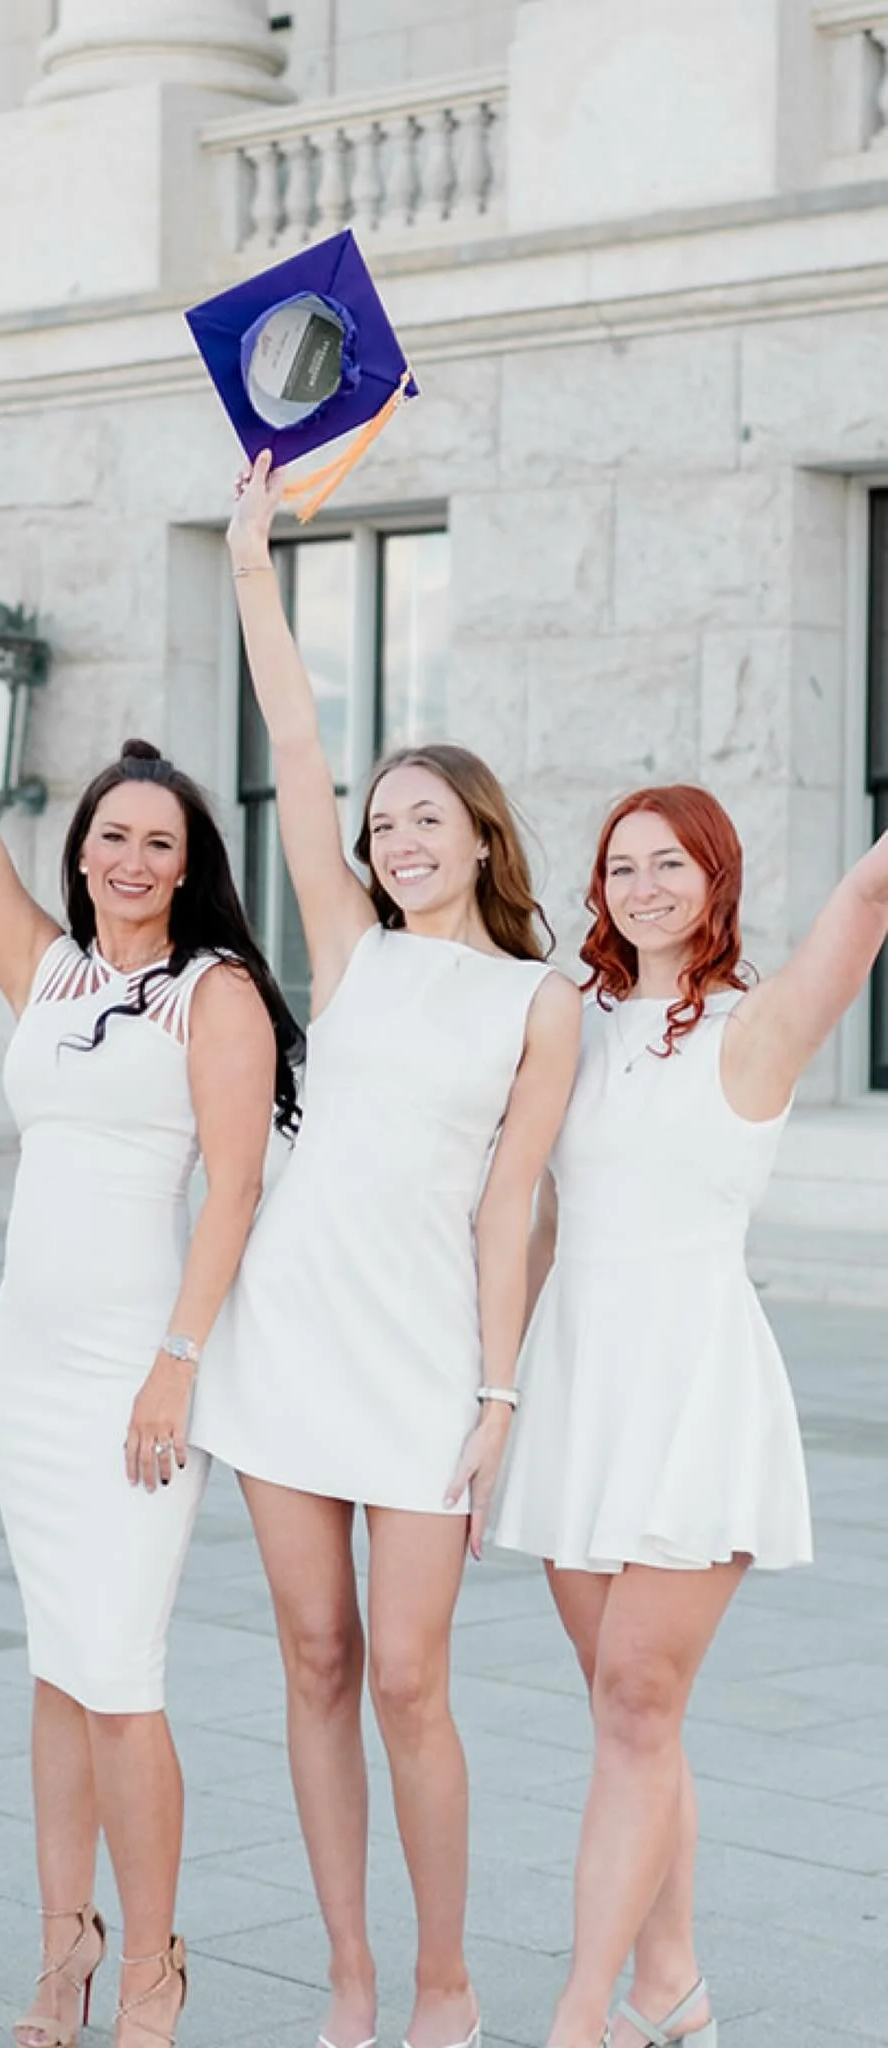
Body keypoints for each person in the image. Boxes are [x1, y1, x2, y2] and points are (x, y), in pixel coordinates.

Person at [0, 546, 302, 2048]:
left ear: (190, 862)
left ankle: (154, 1965)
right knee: (56, 1663)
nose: (130, 858)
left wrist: (177, 1364)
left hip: (134, 1366)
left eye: (159, 841)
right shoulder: (43, 972)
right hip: (25, 1368)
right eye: (111, 835)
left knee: (120, 1673)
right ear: (85, 848)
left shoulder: (212, 993)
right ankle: (61, 1953)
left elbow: (228, 1190)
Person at [190, 452, 583, 2048]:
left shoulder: (537, 1001)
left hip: (426, 1356)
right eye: (382, 821)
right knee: (313, 1654)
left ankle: (443, 1976)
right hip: (285, 1335)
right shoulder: (343, 952)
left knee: (409, 1677)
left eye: (427, 819)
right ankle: (348, 1976)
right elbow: (288, 742)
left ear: (482, 839)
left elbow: (517, 1207)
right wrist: (248, 568)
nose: (397, 837)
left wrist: (498, 1395)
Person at [492, 784, 888, 2048]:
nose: (644, 884)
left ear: (716, 878)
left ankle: (578, 2011)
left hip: (694, 1387)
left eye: (671, 863)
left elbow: (870, 895)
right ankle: (673, 1986)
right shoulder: (573, 1023)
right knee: (628, 1716)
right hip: (577, 1385)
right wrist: (495, 1391)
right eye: (621, 864)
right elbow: (537, 1215)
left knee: (639, 1703)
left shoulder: (757, 1025)